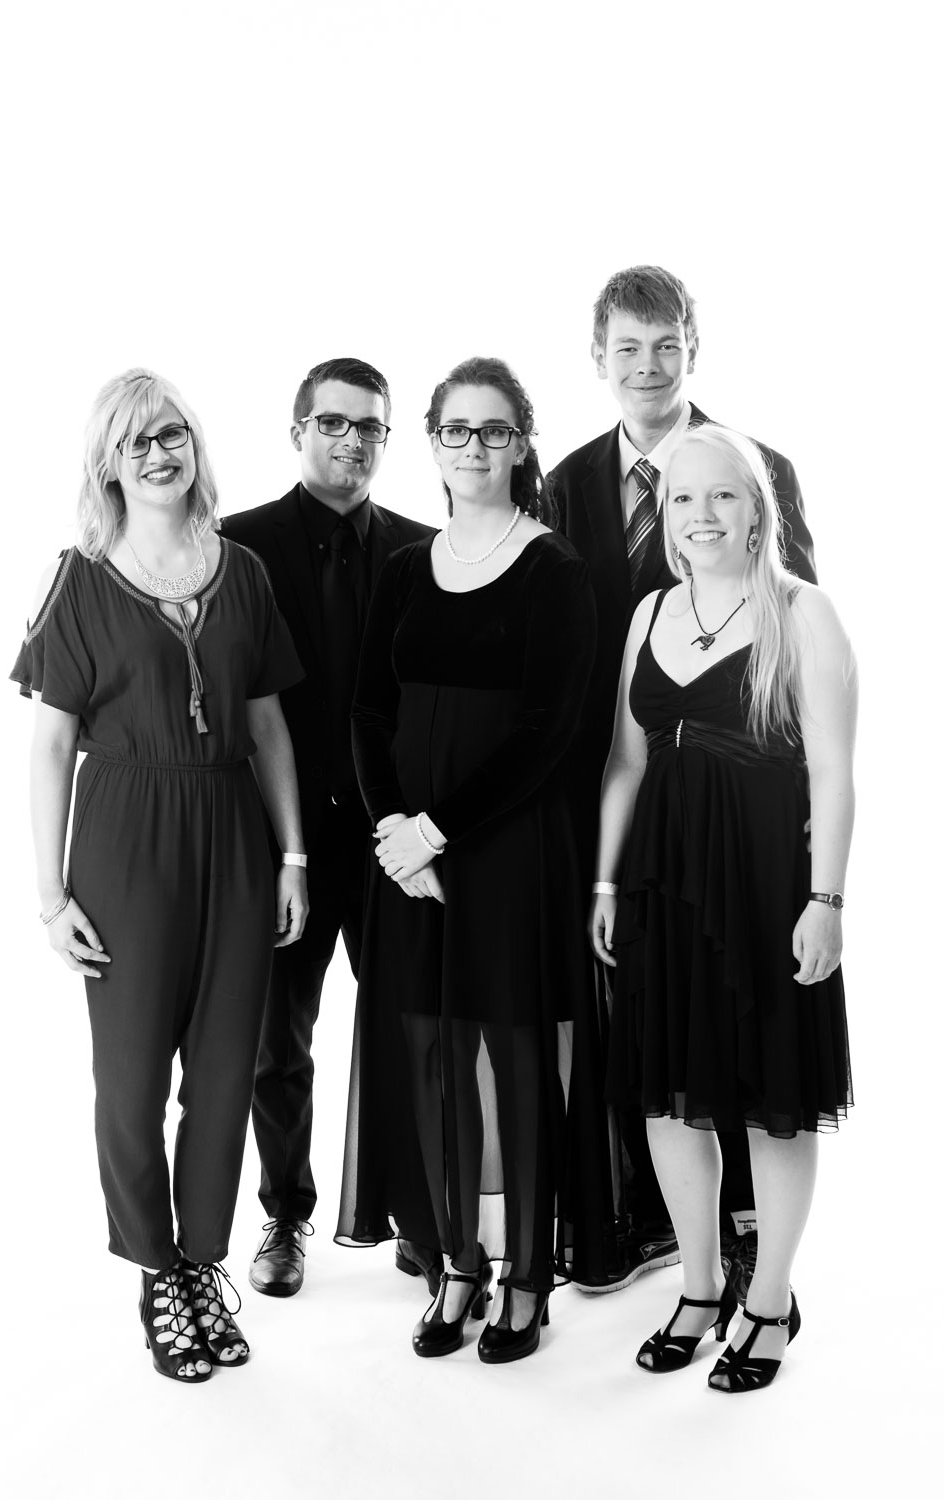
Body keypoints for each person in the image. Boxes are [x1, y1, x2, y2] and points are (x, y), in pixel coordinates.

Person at [12, 369, 308, 1383]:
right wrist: (50, 896)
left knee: (225, 1074)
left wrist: (292, 856)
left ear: (194, 443)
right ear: (107, 461)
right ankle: (155, 1270)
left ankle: (201, 1264)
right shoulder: (78, 579)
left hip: (233, 833)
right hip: (125, 840)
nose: (155, 453)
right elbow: (51, 746)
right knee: (133, 1079)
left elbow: (269, 725)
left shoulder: (243, 571)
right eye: (133, 440)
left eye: (170, 432)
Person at [336, 357, 615, 1363]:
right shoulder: (406, 569)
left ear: (521, 442)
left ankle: (527, 1278)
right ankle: (459, 1263)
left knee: (515, 1057)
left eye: (494, 431)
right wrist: (392, 833)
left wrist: (436, 829)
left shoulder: (555, 570)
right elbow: (367, 711)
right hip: (406, 860)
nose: (474, 448)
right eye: (456, 430)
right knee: (430, 1055)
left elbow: (547, 733)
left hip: (508, 849)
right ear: (433, 442)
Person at [547, 265, 818, 1298]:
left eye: (665, 346)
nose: (647, 366)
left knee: (744, 1020)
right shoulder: (565, 481)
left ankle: (750, 1242)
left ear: (691, 349)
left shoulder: (757, 467)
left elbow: (795, 641)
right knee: (649, 1022)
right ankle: (659, 1227)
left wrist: (804, 834)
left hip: (742, 808)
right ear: (598, 357)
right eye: (627, 347)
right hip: (623, 790)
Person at [590, 423, 855, 1391]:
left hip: (765, 888)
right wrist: (604, 882)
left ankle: (768, 1301)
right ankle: (699, 1291)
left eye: (721, 496)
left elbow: (832, 774)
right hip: (661, 884)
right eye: (682, 498)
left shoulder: (801, 612)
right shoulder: (649, 612)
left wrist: (825, 900)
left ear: (755, 512)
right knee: (669, 1098)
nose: (700, 514)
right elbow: (624, 763)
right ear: (664, 515)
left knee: (771, 1106)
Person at [222, 358, 436, 1298]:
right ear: (298, 430)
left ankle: (418, 1218)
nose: (352, 440)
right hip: (283, 845)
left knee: (411, 1031)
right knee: (279, 1045)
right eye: (334, 422)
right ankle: (284, 1216)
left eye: (370, 426)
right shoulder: (236, 545)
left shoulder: (426, 549)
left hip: (394, 841)